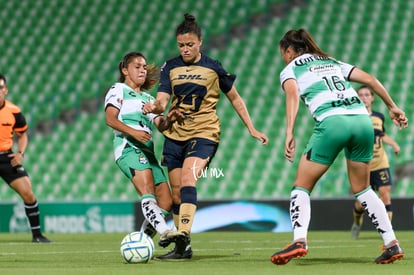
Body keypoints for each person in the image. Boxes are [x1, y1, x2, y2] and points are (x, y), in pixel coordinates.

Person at [270, 29, 407, 265]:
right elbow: (371, 80)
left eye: (283, 52)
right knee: (363, 189)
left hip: (333, 123)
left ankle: (299, 240)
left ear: (289, 50)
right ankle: (392, 243)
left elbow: (292, 96)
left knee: (301, 186)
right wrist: (392, 106)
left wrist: (289, 131)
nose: (284, 56)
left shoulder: (290, 69)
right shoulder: (331, 61)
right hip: (362, 121)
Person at [142, 13, 269, 260]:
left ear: (200, 42)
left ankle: (184, 234)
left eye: (190, 44)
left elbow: (235, 97)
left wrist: (251, 128)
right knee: (177, 192)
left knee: (190, 178)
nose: (186, 49)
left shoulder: (213, 67)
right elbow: (163, 100)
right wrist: (155, 108)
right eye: (181, 45)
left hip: (204, 132)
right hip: (174, 134)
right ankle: (183, 249)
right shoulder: (171, 66)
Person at [104, 52, 184, 244]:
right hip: (128, 147)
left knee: (166, 202)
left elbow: (161, 125)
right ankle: (165, 232)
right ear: (125, 70)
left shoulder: (148, 98)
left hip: (148, 152)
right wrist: (133, 132)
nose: (142, 70)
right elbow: (110, 119)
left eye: (144, 67)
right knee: (147, 190)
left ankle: (141, 241)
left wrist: (171, 118)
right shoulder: (118, 89)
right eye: (137, 66)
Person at [0, 73, 51, 243]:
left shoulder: (14, 112)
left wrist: (20, 154)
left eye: (0, 88)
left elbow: (22, 135)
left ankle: (37, 235)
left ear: (5, 90)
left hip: (7, 157)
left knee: (28, 193)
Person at [351, 85, 401, 240]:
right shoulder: (353, 117)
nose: (364, 97)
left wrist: (393, 144)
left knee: (385, 194)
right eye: (361, 95)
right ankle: (357, 223)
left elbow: (382, 135)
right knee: (361, 203)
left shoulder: (379, 116)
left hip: (380, 162)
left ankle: (387, 231)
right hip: (363, 164)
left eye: (367, 94)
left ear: (372, 98)